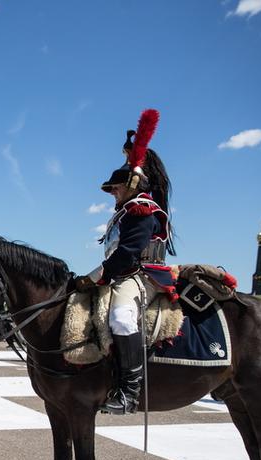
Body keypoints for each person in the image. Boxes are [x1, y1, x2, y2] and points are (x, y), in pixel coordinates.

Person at [75, 109, 175, 415]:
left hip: (140, 275)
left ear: (132, 184)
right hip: (124, 272)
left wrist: (93, 278)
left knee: (120, 316)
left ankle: (130, 392)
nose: (113, 193)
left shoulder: (142, 209)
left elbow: (128, 254)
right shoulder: (126, 211)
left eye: (116, 188)